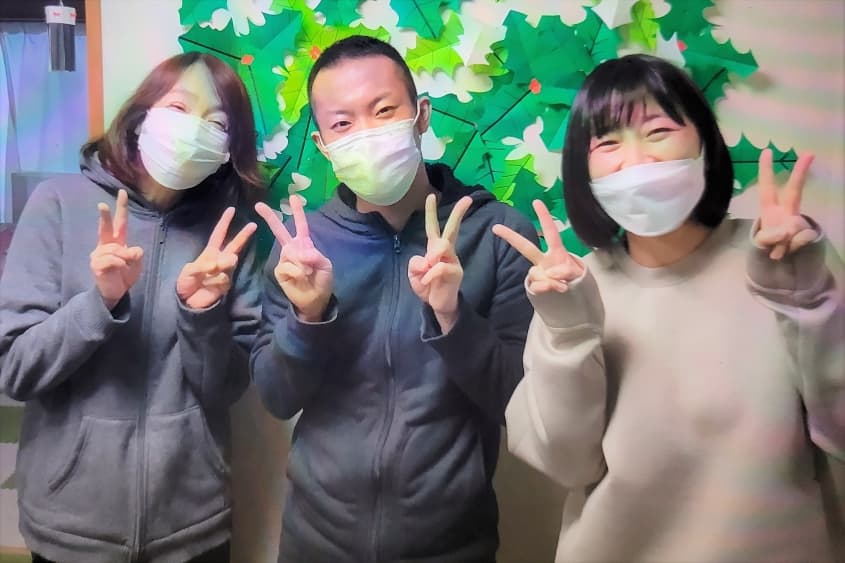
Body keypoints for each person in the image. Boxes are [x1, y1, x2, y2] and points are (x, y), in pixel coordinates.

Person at [493, 53, 845, 562]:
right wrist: (569, 330)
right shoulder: (571, 288)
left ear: (704, 144)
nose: (637, 160)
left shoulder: (792, 260)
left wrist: (805, 298)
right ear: (584, 171)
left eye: (658, 131)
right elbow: (565, 464)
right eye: (608, 143)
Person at [250, 36, 536, 562]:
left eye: (384, 111)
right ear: (323, 145)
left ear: (421, 116)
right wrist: (308, 317)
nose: (366, 133)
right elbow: (277, 397)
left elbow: (522, 405)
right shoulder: (303, 247)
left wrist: (452, 317)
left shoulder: (499, 234)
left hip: (453, 547)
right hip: (316, 543)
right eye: (342, 123)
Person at [0, 52, 264, 563]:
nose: (195, 129)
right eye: (180, 107)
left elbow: (226, 388)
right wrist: (99, 303)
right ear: (142, 116)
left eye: (217, 123)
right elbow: (15, 371)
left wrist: (202, 314)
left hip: (194, 526)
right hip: (71, 528)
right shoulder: (57, 203)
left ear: (228, 150)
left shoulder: (230, 232)